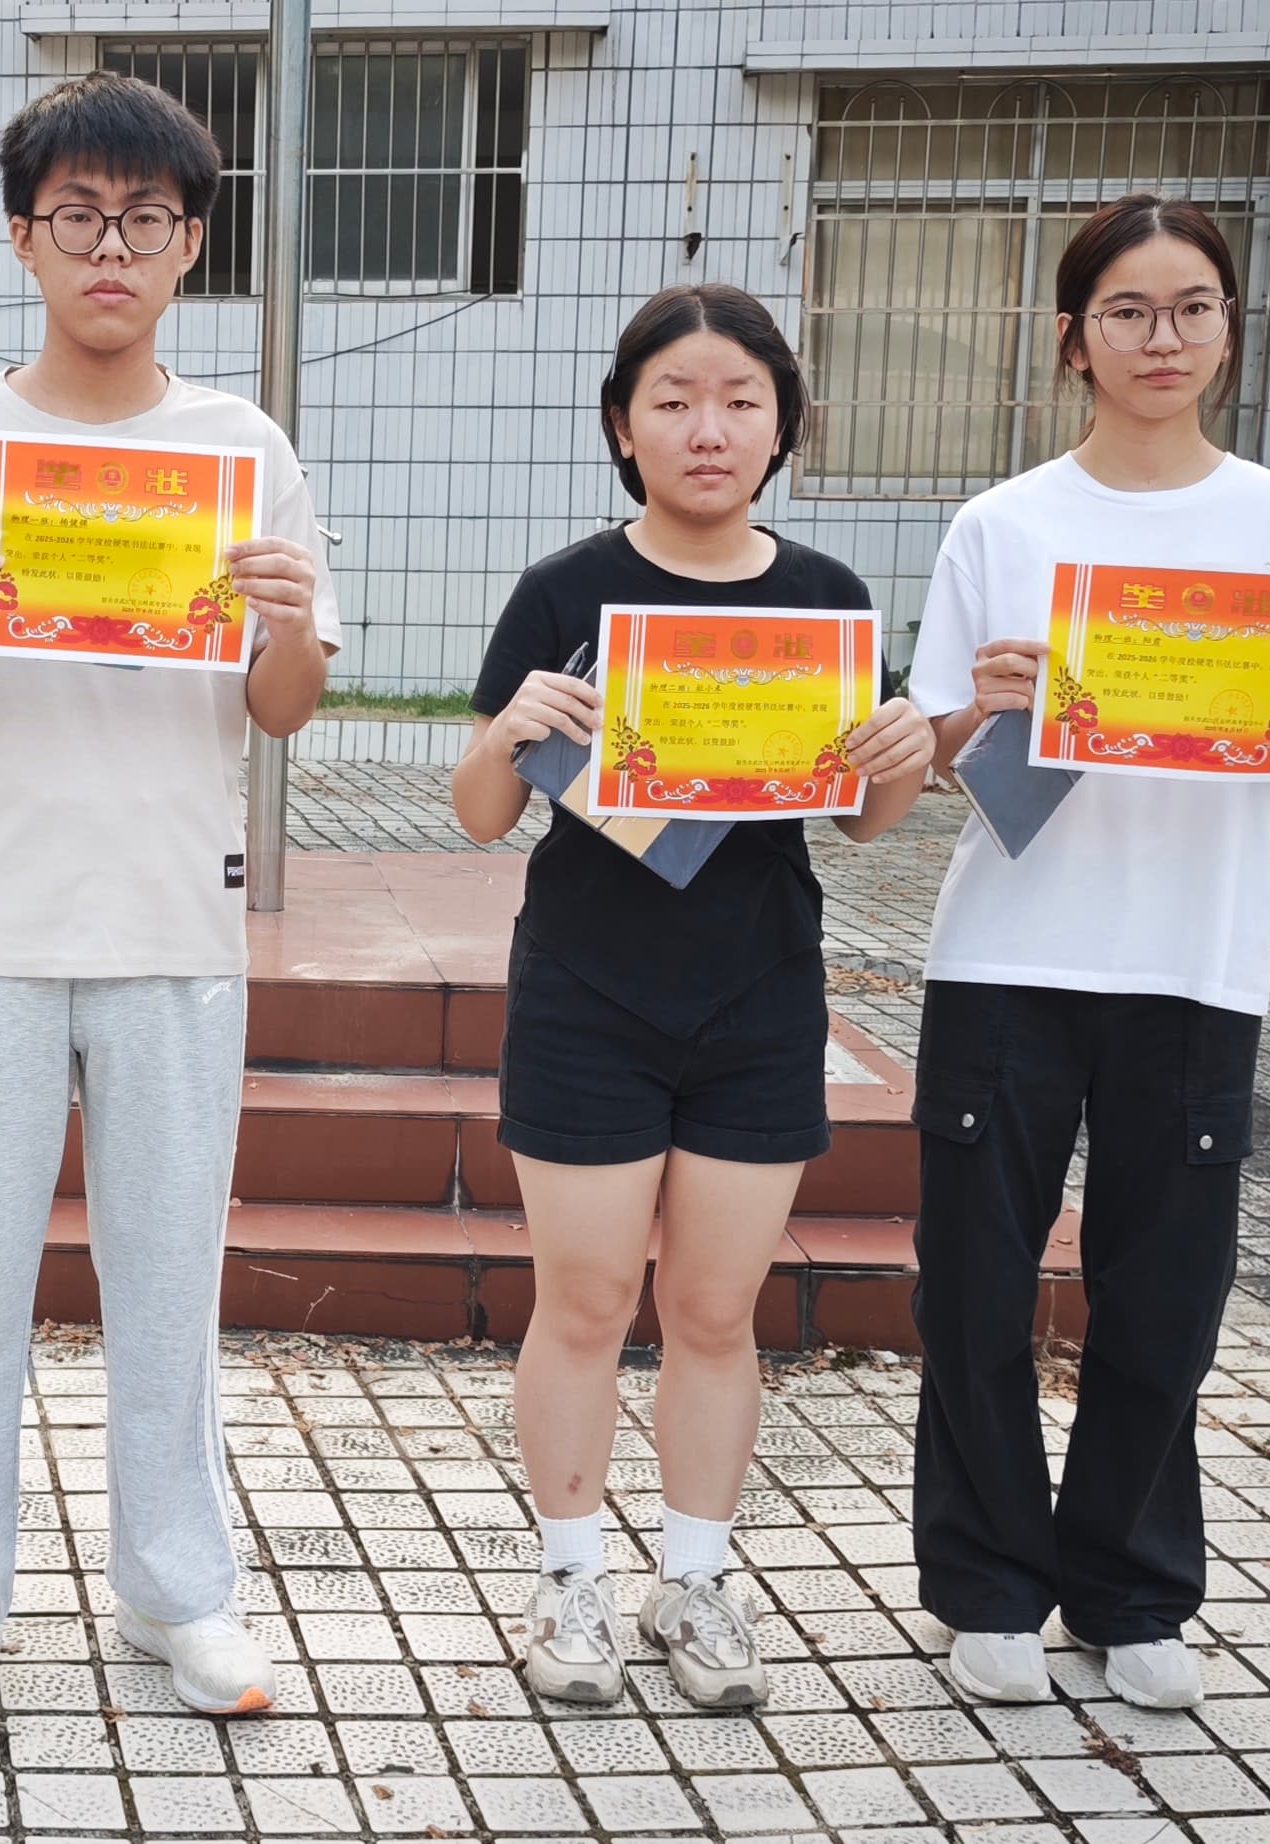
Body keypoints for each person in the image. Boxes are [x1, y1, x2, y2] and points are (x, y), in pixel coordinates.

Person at [0, 71, 337, 1731]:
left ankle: (179, 1590)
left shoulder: (242, 450)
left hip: (172, 921)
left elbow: (280, 712)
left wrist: (289, 627)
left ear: (192, 244)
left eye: (145, 219)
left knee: (169, 1282)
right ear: (22, 237)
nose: (109, 248)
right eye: (77, 217)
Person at [901, 193, 1270, 1712]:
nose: (1161, 337)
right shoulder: (1003, 525)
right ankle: (990, 1584)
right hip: (1010, 954)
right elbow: (935, 756)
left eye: (1193, 307)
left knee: (1166, 1292)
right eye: (1127, 310)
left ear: (1230, 332)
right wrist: (983, 712)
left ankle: (1130, 1588)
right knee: (976, 1285)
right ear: (1074, 340)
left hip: (1195, 960)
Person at [451, 283, 935, 1709]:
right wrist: (512, 727)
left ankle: (699, 1583)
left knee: (719, 1312)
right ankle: (570, 1582)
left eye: (739, 401)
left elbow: (859, 821)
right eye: (673, 400)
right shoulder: (565, 592)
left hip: (759, 997)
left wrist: (901, 756)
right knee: (587, 1301)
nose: (707, 428)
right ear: (624, 426)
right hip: (586, 995)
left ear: (783, 426)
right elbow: (482, 812)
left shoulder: (826, 598)